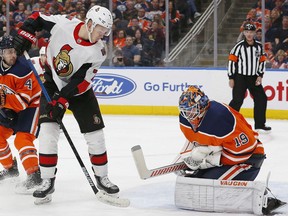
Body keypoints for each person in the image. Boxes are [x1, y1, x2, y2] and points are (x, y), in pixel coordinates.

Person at [13, 5, 120, 204]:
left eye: (106, 32)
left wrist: (62, 101)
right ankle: (47, 181)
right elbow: (36, 17)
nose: (103, 35)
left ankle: (102, 177)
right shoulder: (64, 24)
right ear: (89, 23)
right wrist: (25, 36)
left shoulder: (98, 52)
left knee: (95, 135)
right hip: (52, 83)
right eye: (100, 30)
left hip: (80, 93)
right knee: (47, 132)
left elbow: (79, 81)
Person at [174, 85, 286, 215]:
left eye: (192, 110)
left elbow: (245, 150)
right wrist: (182, 158)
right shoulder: (185, 119)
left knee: (207, 187)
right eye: (185, 111)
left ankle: (262, 197)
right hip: (223, 154)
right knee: (194, 183)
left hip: (249, 159)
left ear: (203, 105)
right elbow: (193, 139)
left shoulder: (221, 118)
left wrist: (210, 161)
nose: (188, 115)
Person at [0, 34, 42, 193]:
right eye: (8, 52)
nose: (12, 55)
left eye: (14, 51)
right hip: (8, 106)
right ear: (1, 53)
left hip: (30, 106)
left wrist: (2, 99)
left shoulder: (23, 69)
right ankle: (10, 168)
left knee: (22, 139)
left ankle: (34, 175)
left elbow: (23, 102)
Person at [227, 22, 271, 132]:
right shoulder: (238, 46)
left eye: (251, 32)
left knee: (261, 98)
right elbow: (232, 61)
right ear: (244, 33)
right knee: (237, 100)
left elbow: (262, 61)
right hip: (240, 77)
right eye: (247, 32)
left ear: (255, 33)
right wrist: (231, 77)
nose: (249, 34)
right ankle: (227, 121)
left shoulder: (259, 47)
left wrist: (260, 76)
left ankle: (260, 124)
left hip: (253, 78)